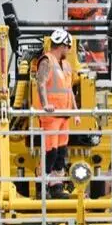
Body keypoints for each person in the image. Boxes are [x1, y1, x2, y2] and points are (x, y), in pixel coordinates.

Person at [34, 30, 80, 199]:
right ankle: (42, 186)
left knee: (61, 152)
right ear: (63, 45)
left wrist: (75, 112)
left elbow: (69, 90)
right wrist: (45, 104)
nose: (69, 49)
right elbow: (41, 82)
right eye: (68, 46)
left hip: (64, 115)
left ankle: (56, 186)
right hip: (51, 116)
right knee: (50, 152)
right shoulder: (47, 61)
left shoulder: (66, 65)